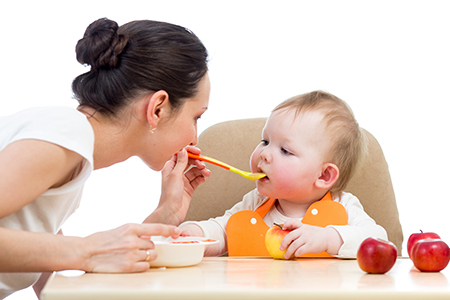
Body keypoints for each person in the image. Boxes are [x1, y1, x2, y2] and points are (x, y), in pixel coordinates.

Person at [0, 18, 211, 299]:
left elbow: (44, 264)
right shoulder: (64, 135)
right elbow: (72, 254)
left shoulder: (69, 144)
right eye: (196, 117)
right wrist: (86, 251)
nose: (194, 138)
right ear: (157, 108)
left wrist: (164, 215)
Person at [180, 91, 388, 259]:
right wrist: (195, 233)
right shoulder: (256, 203)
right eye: (265, 141)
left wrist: (327, 238)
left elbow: (379, 240)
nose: (264, 154)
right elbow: (223, 230)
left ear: (324, 175)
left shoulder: (344, 207)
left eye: (285, 151)